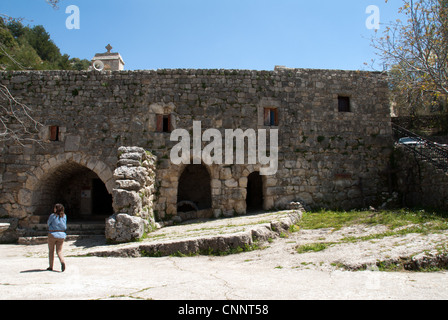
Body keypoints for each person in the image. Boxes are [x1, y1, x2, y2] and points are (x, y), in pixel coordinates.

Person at [47, 204, 67, 272]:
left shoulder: (52, 216)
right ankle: (62, 261)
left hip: (52, 234)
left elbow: (48, 223)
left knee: (51, 250)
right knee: (59, 251)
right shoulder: (64, 216)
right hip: (61, 234)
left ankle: (51, 266)